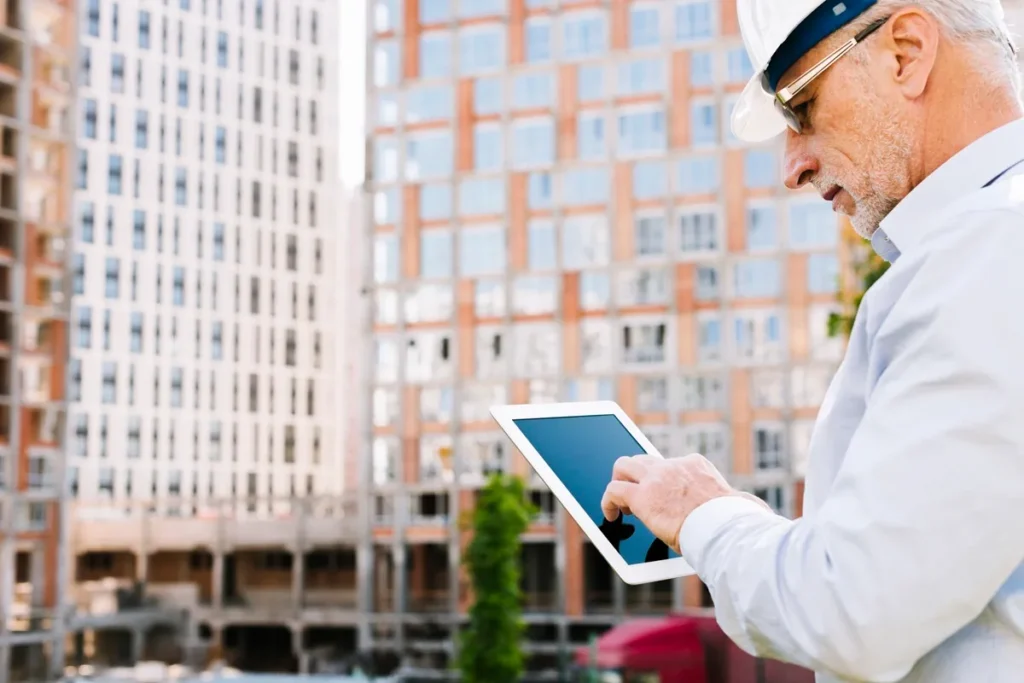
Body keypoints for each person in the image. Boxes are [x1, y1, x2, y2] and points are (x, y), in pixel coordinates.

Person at [600, 1, 1024, 681]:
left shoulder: (990, 249)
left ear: (906, 52)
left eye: (801, 105)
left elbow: (854, 607)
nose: (791, 166)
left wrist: (702, 513)